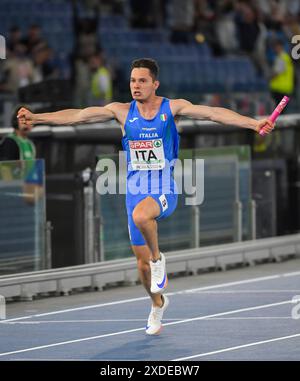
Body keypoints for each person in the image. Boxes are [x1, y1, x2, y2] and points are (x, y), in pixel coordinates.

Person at [17, 58, 274, 335]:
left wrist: (252, 123)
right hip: (135, 192)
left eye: (141, 81)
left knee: (143, 219)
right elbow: (78, 116)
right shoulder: (121, 111)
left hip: (164, 189)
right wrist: (38, 117)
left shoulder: (172, 108)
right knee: (141, 268)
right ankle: (157, 303)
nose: (135, 86)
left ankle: (157, 258)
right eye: (132, 81)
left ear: (155, 84)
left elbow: (212, 113)